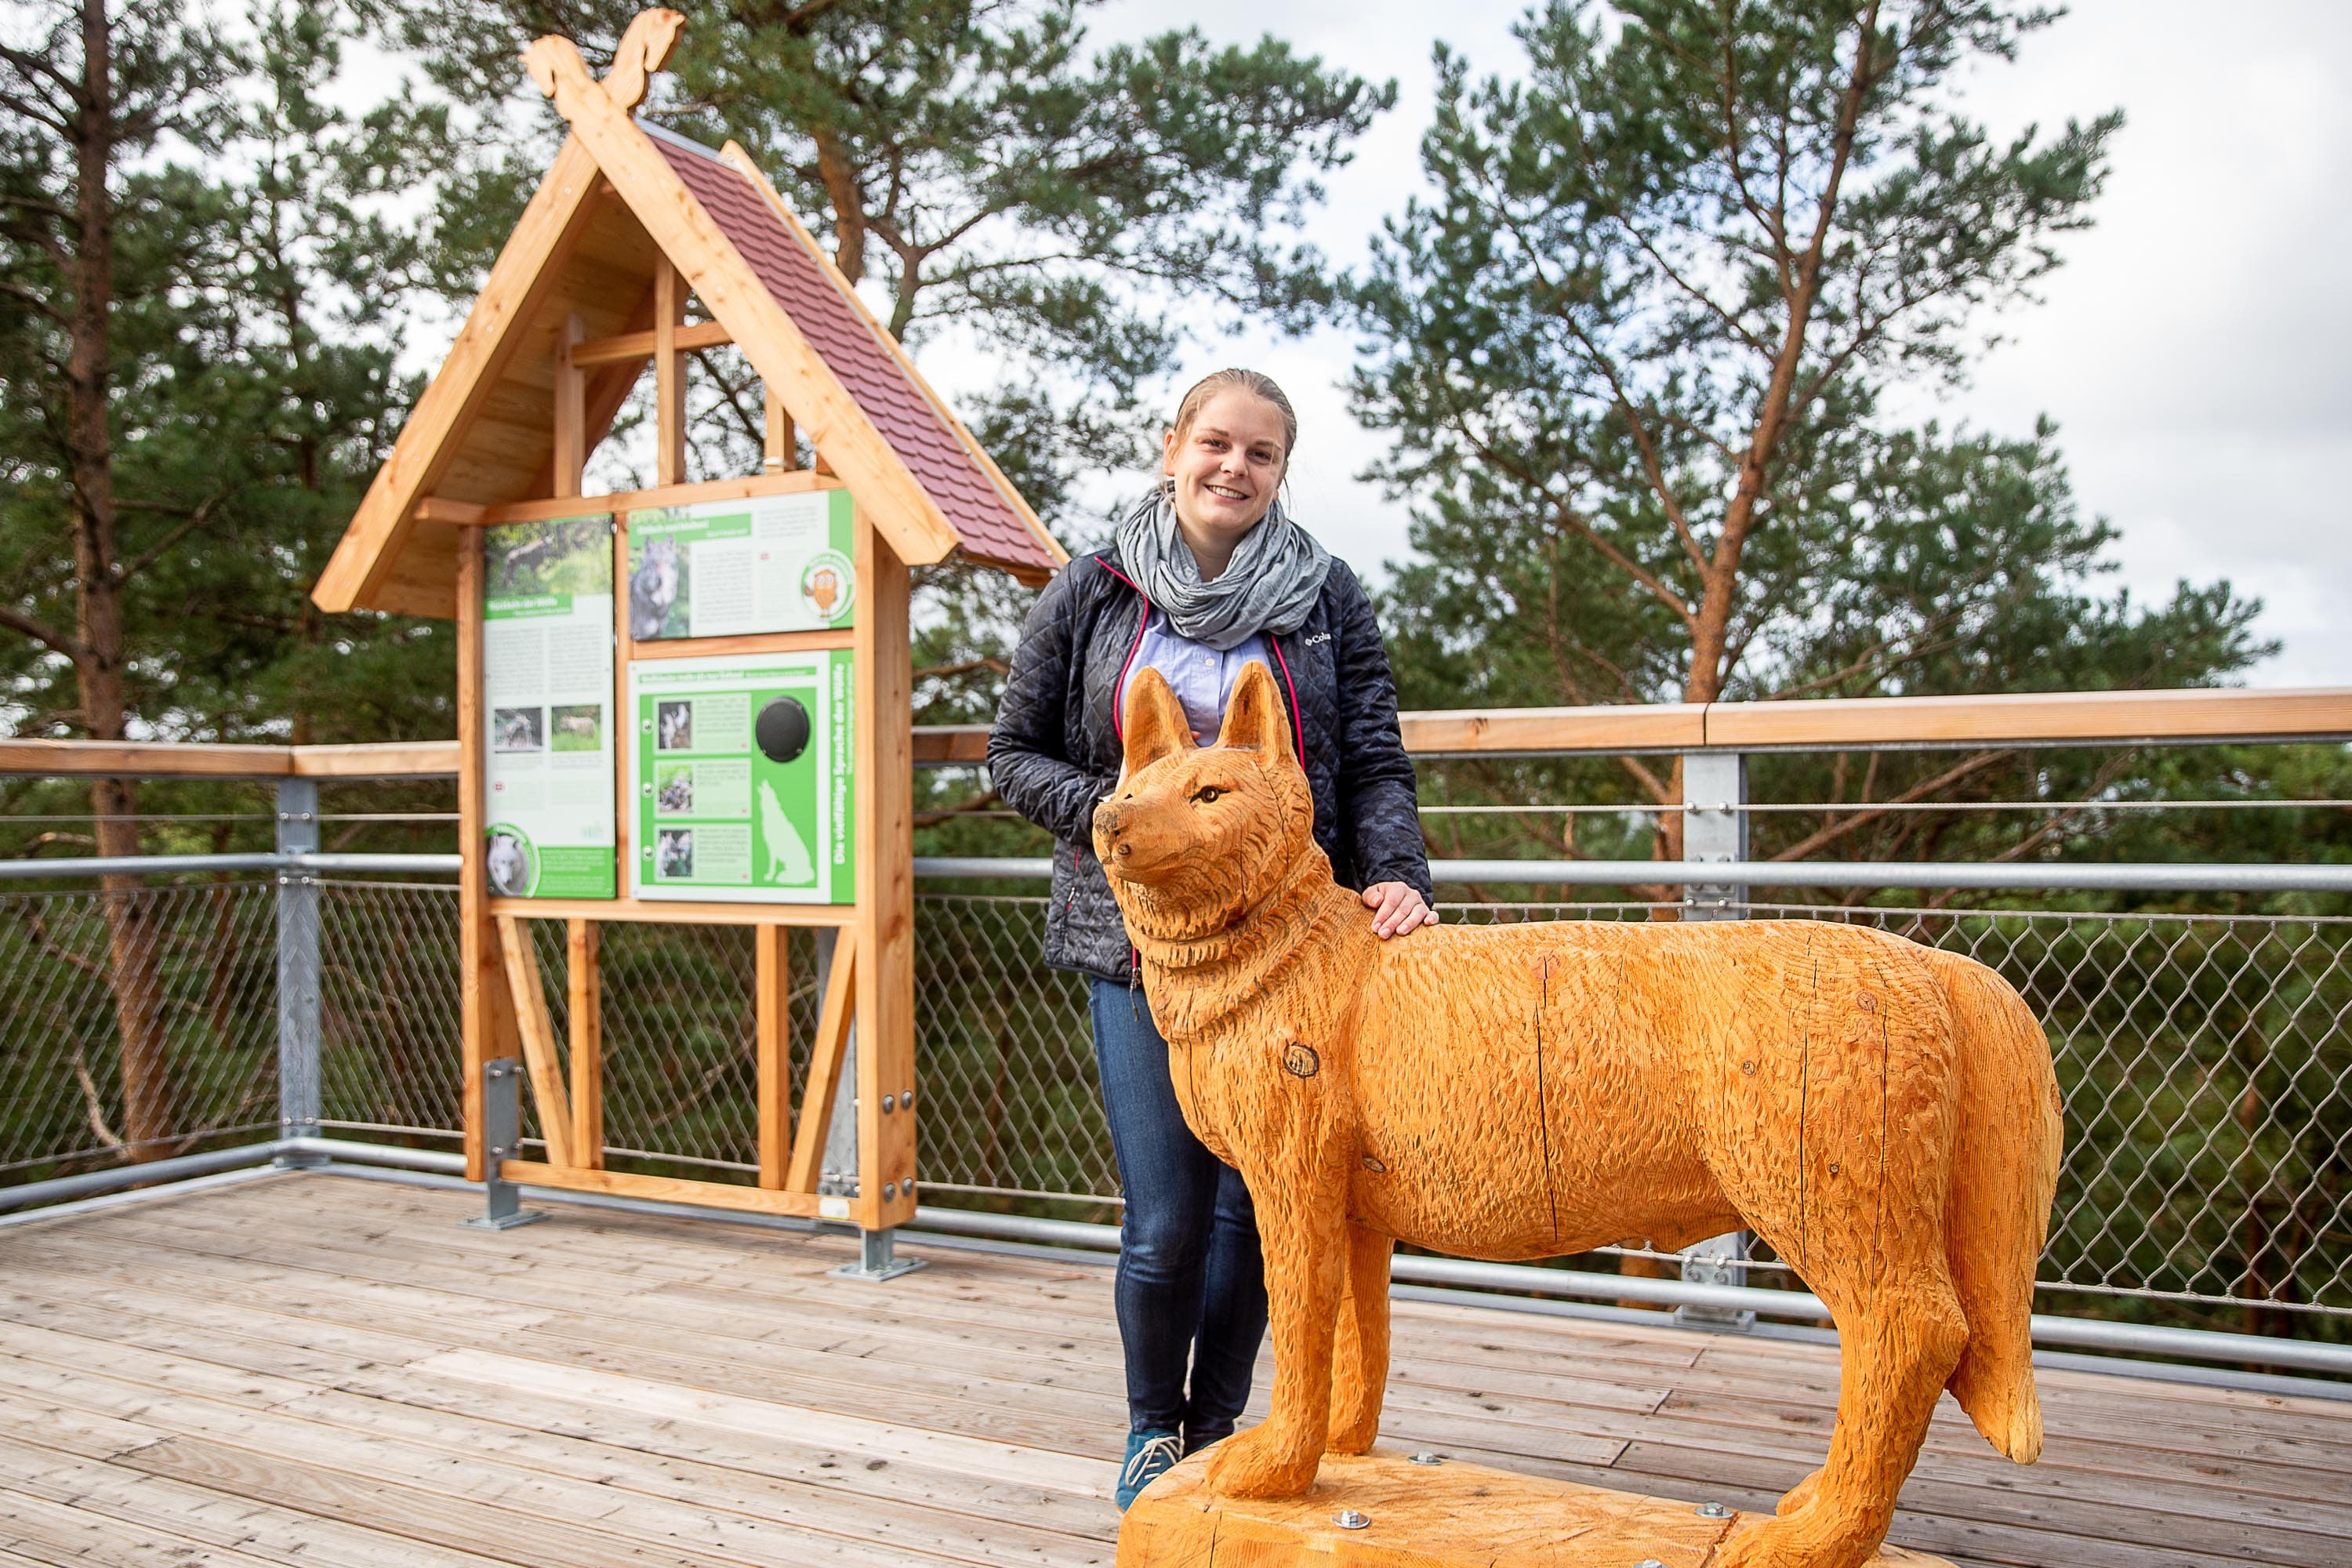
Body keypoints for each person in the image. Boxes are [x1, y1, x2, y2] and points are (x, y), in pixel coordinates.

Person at [988, 368, 1438, 1510]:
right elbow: (1009, 754)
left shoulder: (1326, 595)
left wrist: (1396, 876)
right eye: (1217, 445)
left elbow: (1373, 758)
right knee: (1170, 1214)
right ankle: (1150, 1431)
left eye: (1262, 454)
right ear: (1173, 447)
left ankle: (1221, 1429)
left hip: (1288, 954)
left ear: (1282, 472)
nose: (1234, 469)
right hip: (1137, 948)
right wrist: (1114, 812)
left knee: (1260, 1204)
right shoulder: (1092, 592)